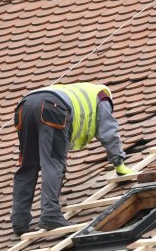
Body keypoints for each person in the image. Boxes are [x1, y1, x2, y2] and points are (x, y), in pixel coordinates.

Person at [11, 82, 132, 235]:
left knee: (28, 166)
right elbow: (109, 132)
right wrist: (119, 164)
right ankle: (50, 214)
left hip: (24, 107)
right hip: (52, 107)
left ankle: (19, 221)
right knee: (53, 162)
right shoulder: (102, 98)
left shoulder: (79, 90)